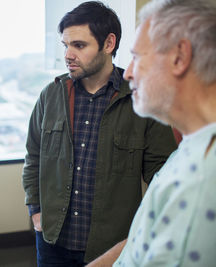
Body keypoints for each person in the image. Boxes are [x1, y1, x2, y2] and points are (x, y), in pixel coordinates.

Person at [22, 1, 178, 266]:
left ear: (108, 44)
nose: (68, 54)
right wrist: (36, 212)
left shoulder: (140, 100)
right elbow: (33, 157)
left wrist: (148, 229)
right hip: (53, 240)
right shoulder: (51, 95)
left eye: (79, 46)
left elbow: (163, 174)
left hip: (111, 246)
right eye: (66, 45)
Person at [86, 0, 216, 266]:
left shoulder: (203, 179)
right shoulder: (190, 149)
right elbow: (142, 237)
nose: (128, 74)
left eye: (137, 57)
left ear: (179, 57)